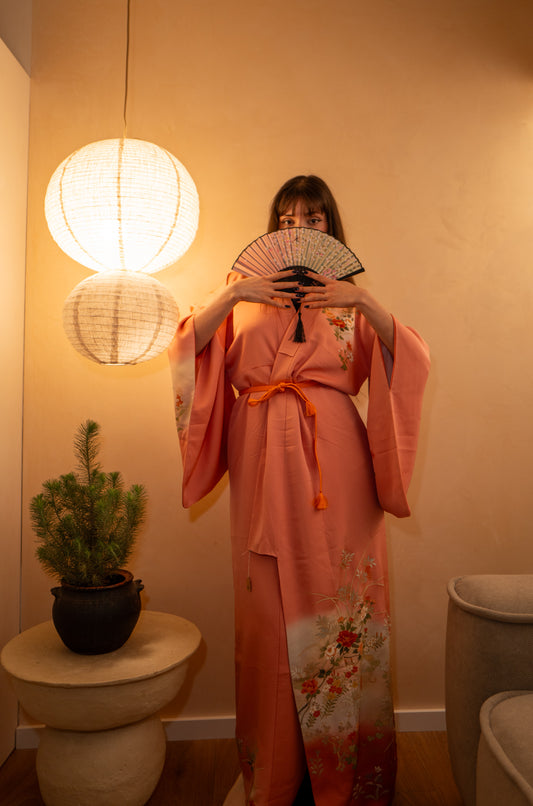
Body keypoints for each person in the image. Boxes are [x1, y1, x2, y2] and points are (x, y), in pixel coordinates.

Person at [169, 175, 430, 806]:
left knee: (341, 605)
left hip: (334, 463)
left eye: (312, 219)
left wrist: (364, 301)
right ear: (274, 228)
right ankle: (276, 773)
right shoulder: (244, 294)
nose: (299, 229)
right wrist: (234, 292)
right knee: (266, 616)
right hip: (260, 456)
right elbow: (186, 350)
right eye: (287, 220)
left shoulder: (349, 302)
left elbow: (411, 361)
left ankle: (347, 774)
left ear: (330, 226)